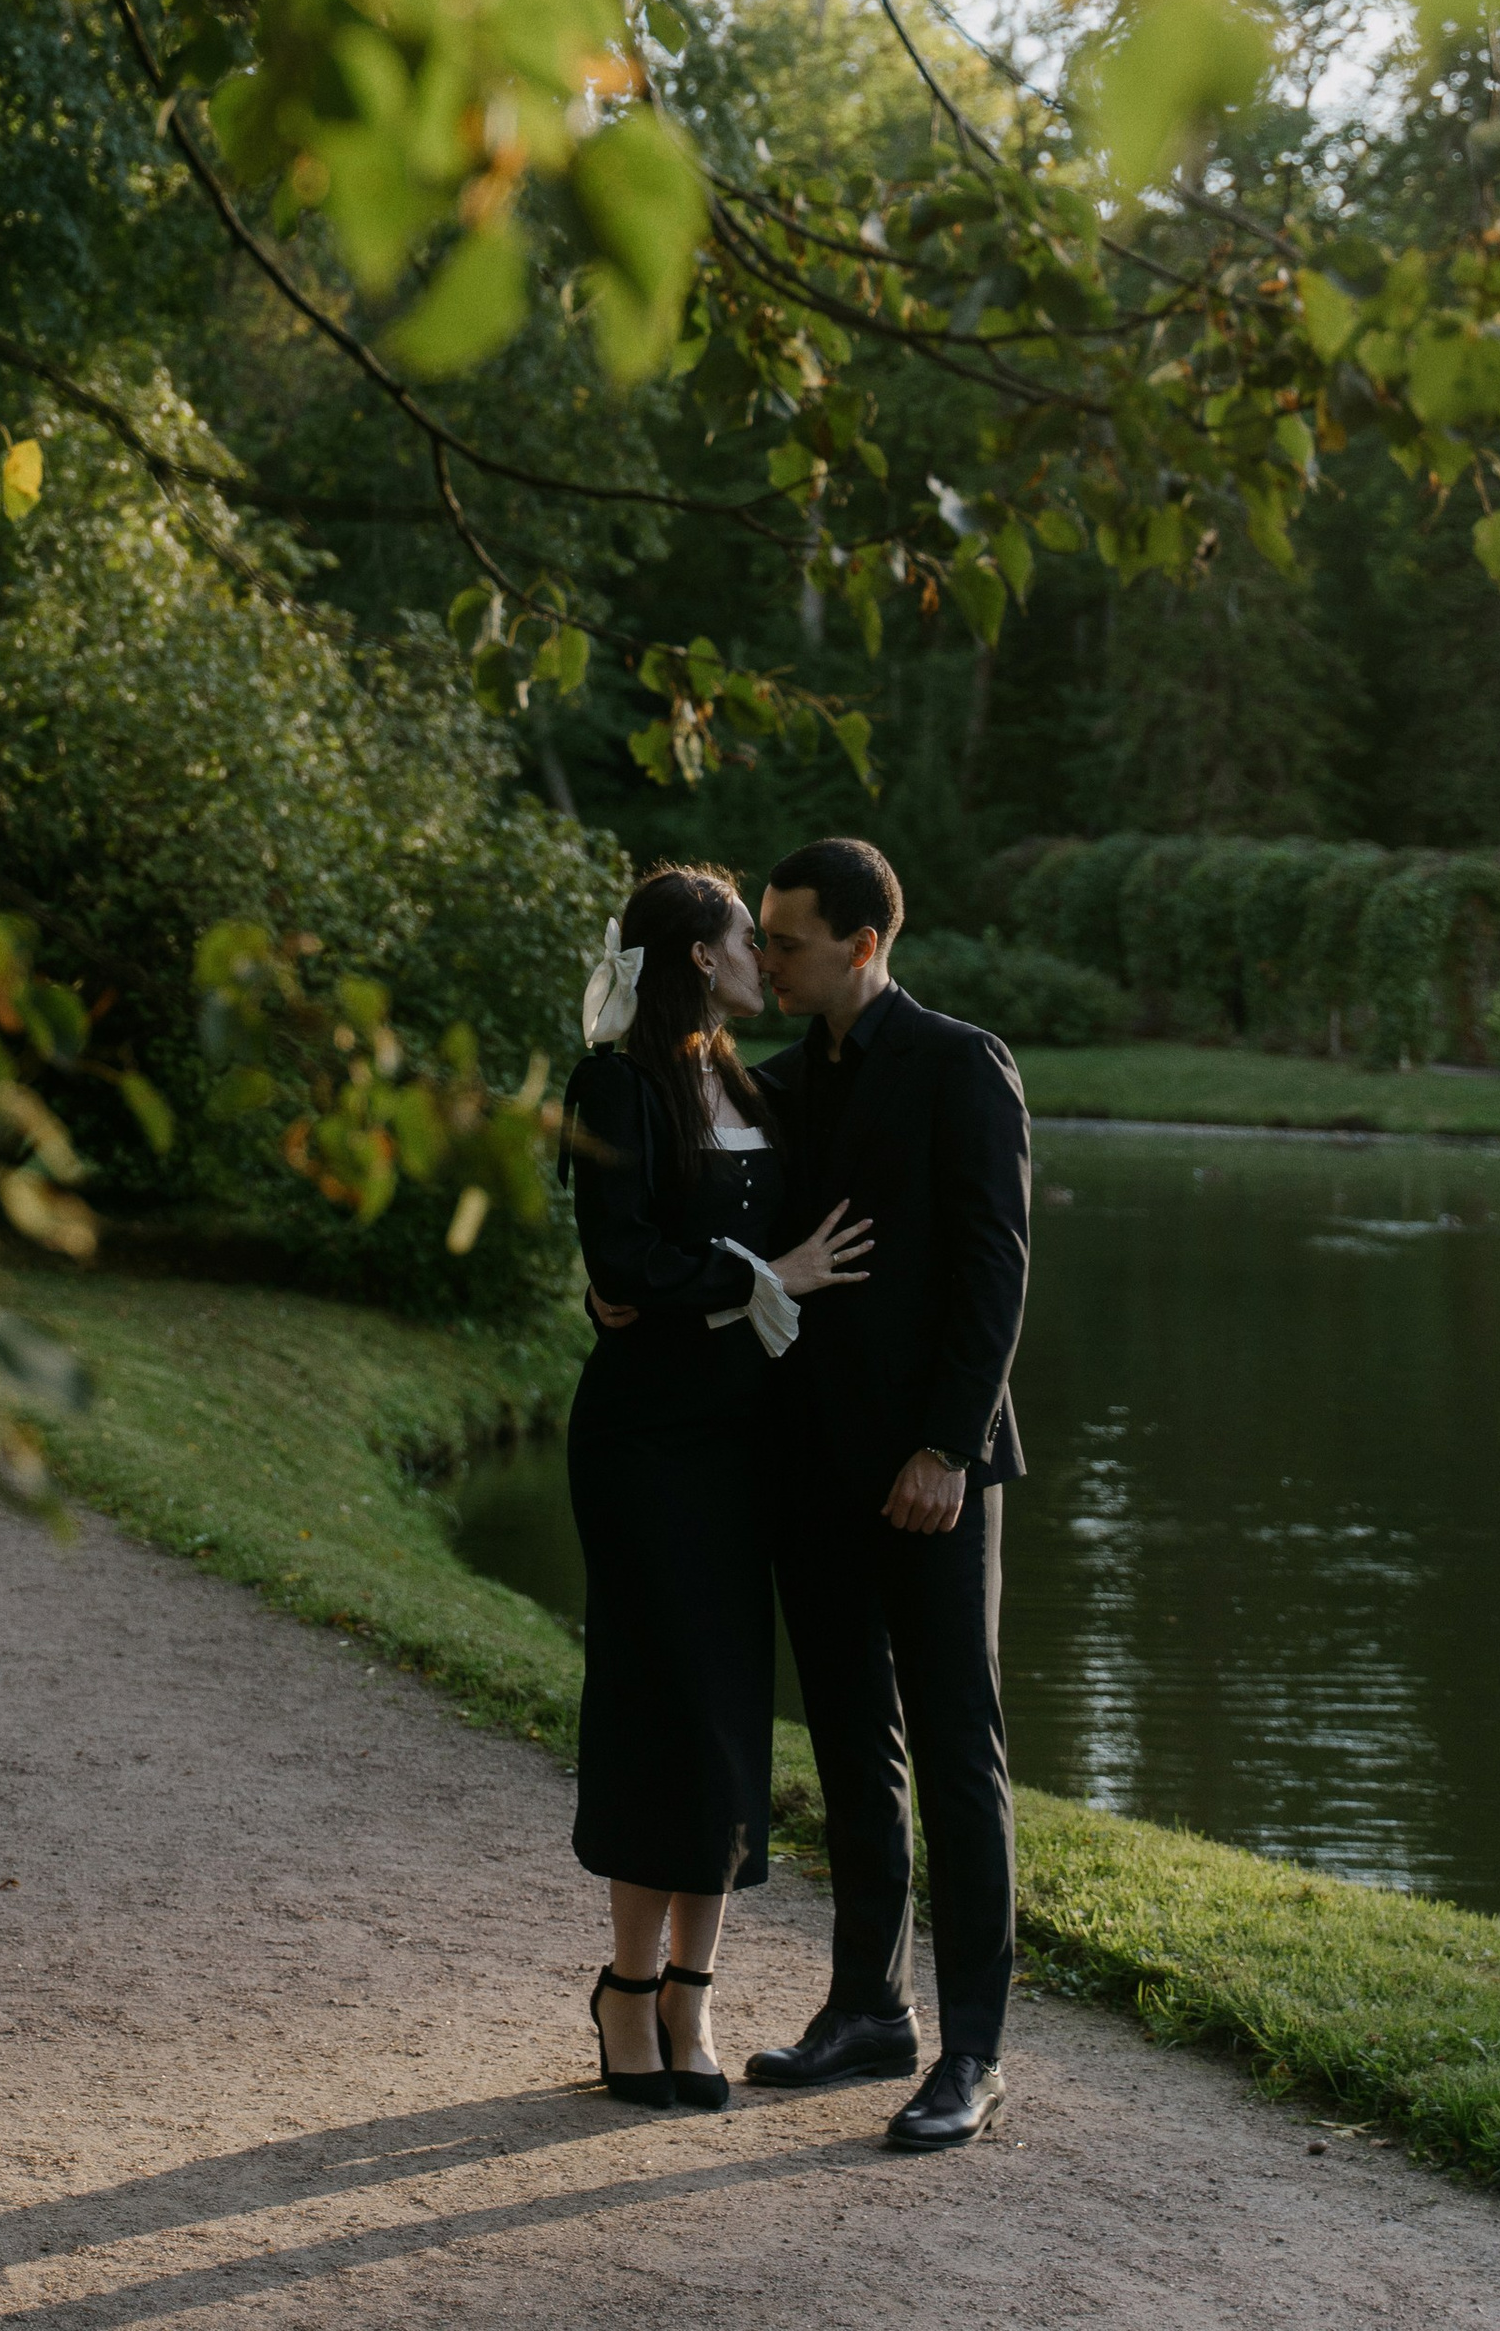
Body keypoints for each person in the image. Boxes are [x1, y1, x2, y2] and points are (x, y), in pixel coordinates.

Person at [563, 862, 874, 2113]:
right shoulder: (616, 1084)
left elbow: (657, 1272)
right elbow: (620, 1251)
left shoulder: (758, 1086)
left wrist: (726, 1284)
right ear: (700, 954)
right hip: (645, 1449)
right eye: (751, 936)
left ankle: (694, 1994)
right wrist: (768, 1275)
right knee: (659, 1707)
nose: (767, 956)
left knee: (731, 1715)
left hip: (750, 1445)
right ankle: (625, 1996)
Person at [741, 835, 1030, 2154]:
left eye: (785, 939)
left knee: (958, 1756)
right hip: (813, 1468)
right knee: (855, 1747)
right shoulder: (787, 1084)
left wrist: (946, 1450)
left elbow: (996, 1276)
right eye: (757, 936)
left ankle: (971, 2049)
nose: (765, 958)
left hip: (934, 1479)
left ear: (863, 945)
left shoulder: (962, 1065)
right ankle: (870, 2010)